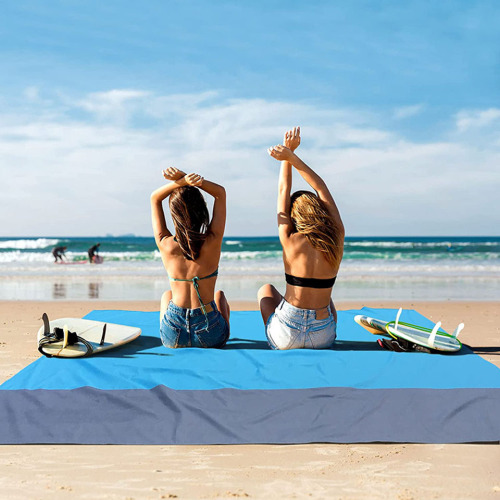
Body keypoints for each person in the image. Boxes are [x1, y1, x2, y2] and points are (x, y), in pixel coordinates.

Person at [258, 127, 345, 350]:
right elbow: (320, 187)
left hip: (286, 334)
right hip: (322, 336)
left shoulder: (289, 237)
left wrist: (286, 156)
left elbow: (282, 191)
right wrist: (292, 157)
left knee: (266, 291)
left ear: (294, 215)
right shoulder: (336, 236)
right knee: (327, 299)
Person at [151, 167, 230, 349]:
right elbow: (220, 193)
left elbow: (154, 198)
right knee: (220, 296)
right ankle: (222, 334)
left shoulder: (165, 243)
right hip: (210, 334)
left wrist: (181, 181)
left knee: (167, 296)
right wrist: (192, 180)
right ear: (202, 211)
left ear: (174, 215)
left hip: (173, 334)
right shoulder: (212, 240)